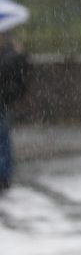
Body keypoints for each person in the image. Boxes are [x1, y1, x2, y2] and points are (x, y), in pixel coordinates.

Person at [0, 30, 29, 192]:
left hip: (3, 103)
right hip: (4, 102)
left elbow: (19, 75)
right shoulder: (12, 54)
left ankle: (4, 176)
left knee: (3, 140)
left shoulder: (12, 55)